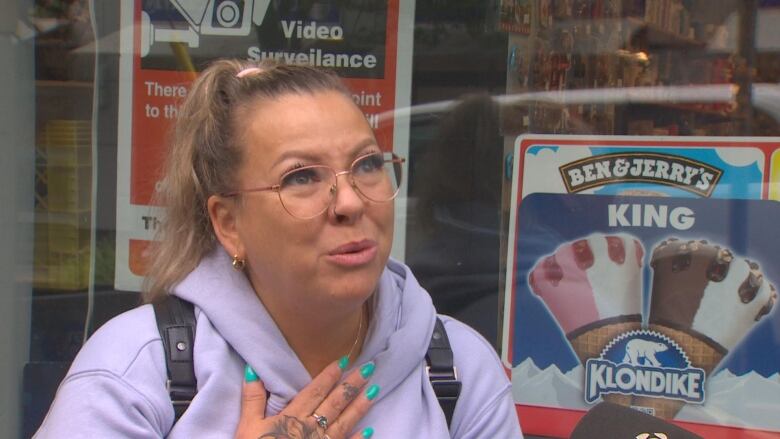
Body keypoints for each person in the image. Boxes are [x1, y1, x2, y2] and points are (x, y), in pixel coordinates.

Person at [35, 59, 522, 438]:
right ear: (229, 224)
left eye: (367, 164)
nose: (350, 202)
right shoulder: (138, 369)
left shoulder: (456, 369)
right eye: (302, 177)